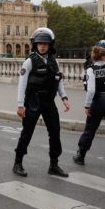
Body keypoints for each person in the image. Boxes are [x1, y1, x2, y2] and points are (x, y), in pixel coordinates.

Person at [13, 27, 71, 178]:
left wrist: (64, 98)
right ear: (35, 45)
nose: (43, 46)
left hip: (48, 102)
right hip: (33, 100)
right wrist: (20, 105)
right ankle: (18, 163)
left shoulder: (54, 61)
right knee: (27, 133)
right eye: (40, 44)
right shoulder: (29, 62)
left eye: (45, 43)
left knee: (55, 132)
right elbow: (22, 84)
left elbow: (58, 81)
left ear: (50, 45)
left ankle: (54, 164)